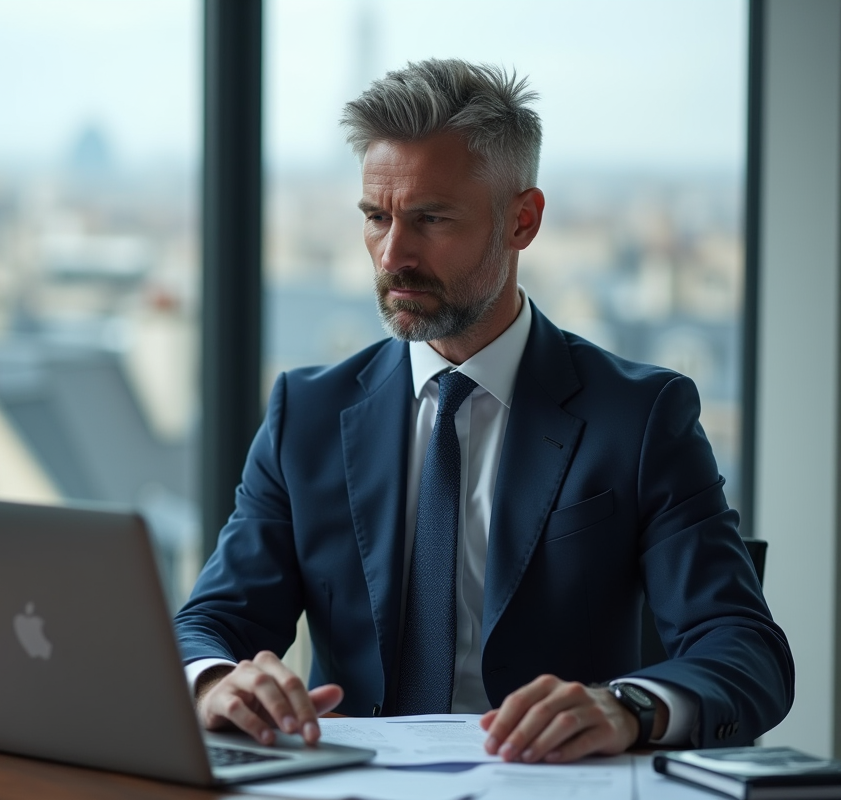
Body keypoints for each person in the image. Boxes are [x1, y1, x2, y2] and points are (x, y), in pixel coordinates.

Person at [173, 58, 793, 764]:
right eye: (376, 218)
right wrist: (217, 681)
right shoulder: (306, 414)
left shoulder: (642, 417)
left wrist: (627, 708)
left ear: (521, 221)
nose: (392, 254)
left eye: (431, 219)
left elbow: (746, 653)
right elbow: (211, 622)